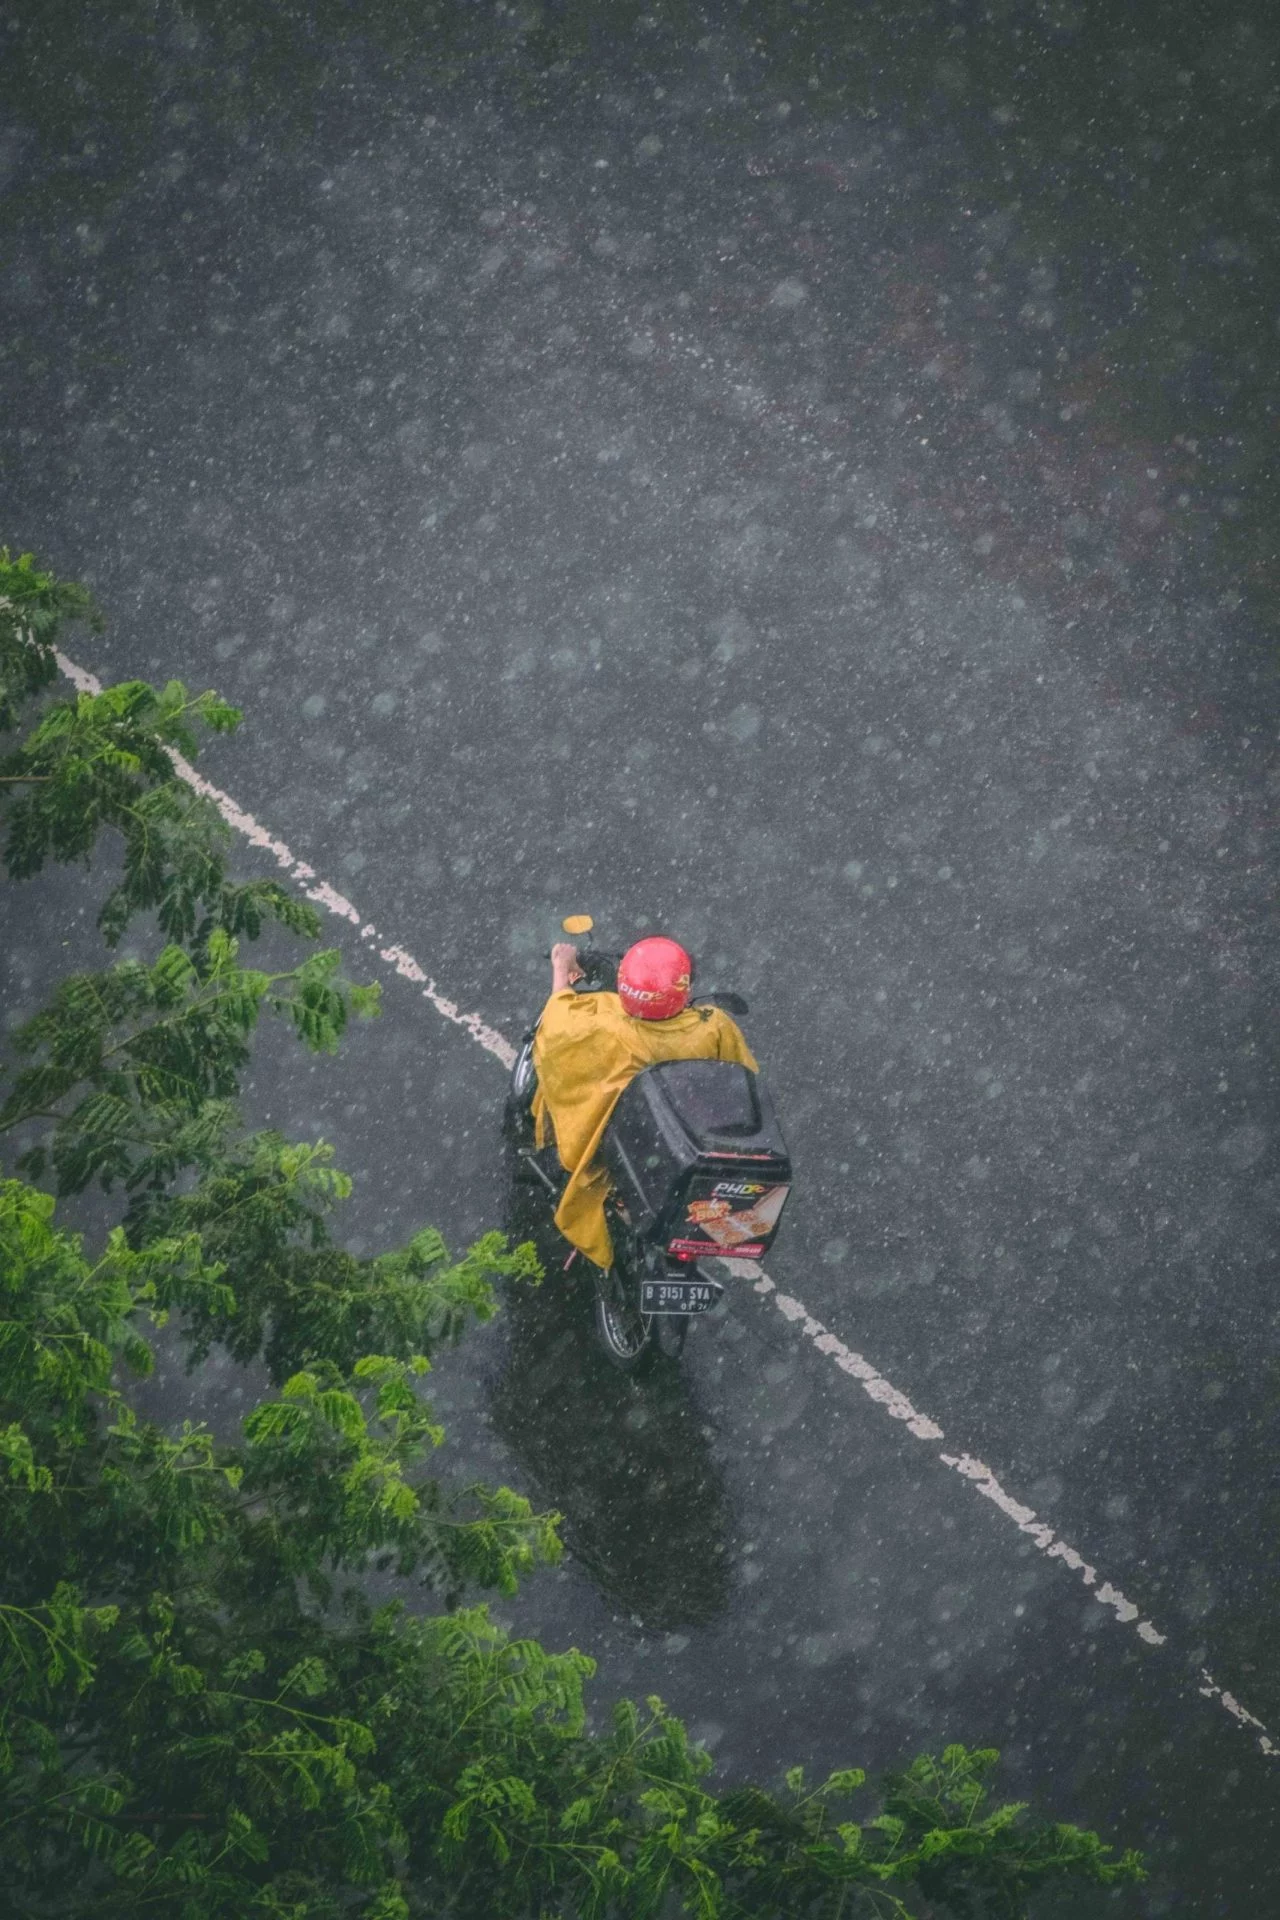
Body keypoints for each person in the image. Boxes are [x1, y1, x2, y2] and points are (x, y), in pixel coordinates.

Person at [532, 934, 758, 1272]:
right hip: (689, 1142)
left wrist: (562, 968)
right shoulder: (713, 1027)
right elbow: (744, 1079)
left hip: (625, 1145)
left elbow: (554, 1023)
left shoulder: (599, 1026)